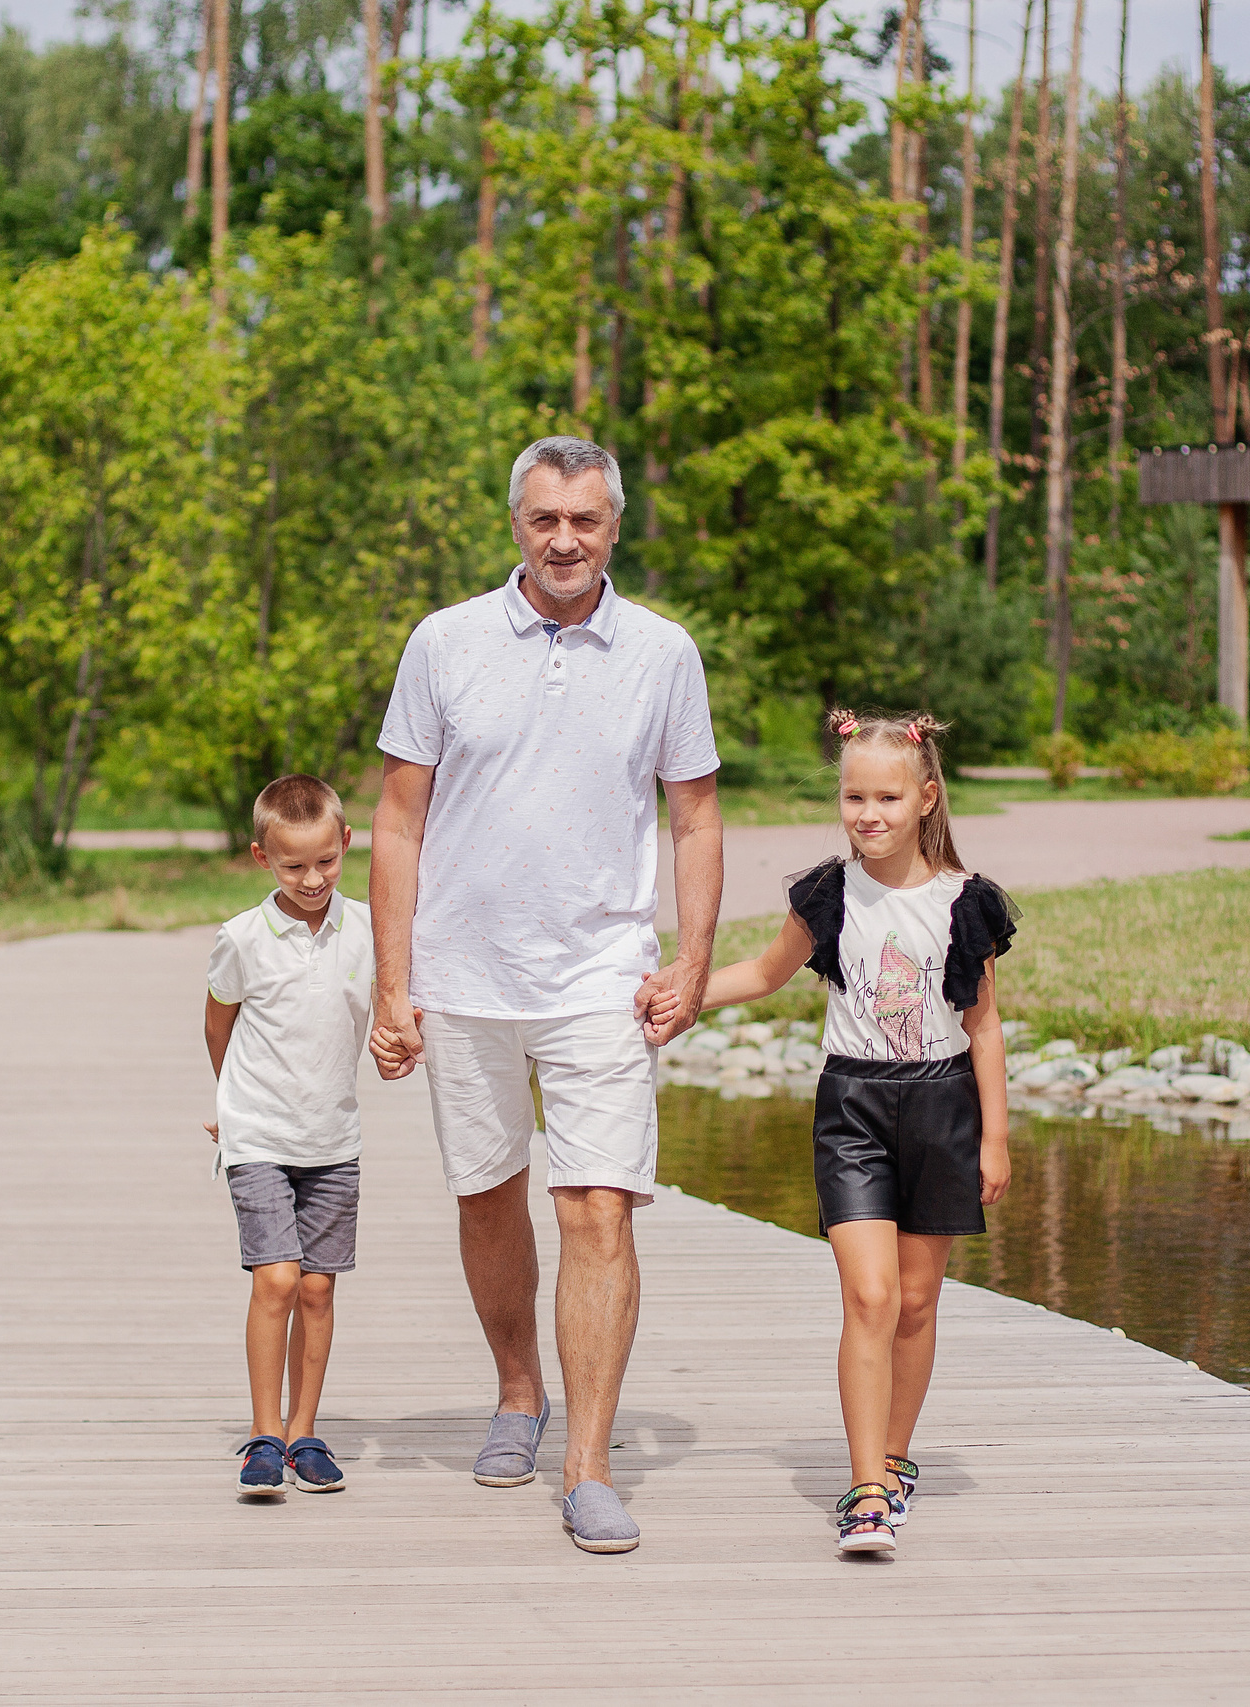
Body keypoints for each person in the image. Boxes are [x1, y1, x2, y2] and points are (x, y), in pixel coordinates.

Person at [367, 435, 723, 1555]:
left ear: (615, 526)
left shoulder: (664, 652)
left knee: (597, 1206)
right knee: (488, 1196)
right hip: (463, 970)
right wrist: (390, 984)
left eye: (584, 519)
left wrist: (694, 963)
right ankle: (518, 1393)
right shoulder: (445, 642)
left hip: (600, 976)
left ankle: (588, 1464)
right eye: (542, 520)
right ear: (515, 525)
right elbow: (395, 819)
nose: (563, 539)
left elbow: (697, 817)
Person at [662, 710, 1014, 1555]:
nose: (869, 813)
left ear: (926, 795)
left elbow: (986, 1024)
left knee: (918, 1301)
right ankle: (864, 1491)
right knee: (871, 1295)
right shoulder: (828, 893)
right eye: (855, 795)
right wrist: (682, 988)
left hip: (943, 1107)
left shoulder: (967, 903)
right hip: (852, 1106)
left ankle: (894, 1457)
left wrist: (994, 1138)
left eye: (888, 796)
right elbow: (763, 970)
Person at [203, 775, 375, 1499]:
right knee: (275, 1277)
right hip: (259, 1135)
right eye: (292, 865)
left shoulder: (368, 926)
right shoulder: (241, 938)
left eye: (325, 862)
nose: (312, 879)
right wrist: (228, 1101)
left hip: (333, 1136)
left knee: (316, 1287)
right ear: (261, 857)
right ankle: (264, 1434)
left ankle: (306, 1431)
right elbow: (219, 1023)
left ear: (346, 843)